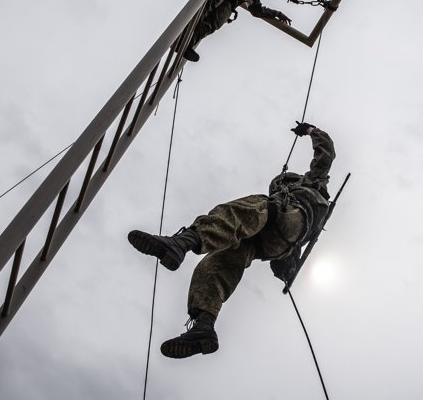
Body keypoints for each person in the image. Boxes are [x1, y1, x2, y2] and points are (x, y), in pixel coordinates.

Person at [127, 122, 335, 358]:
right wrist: (288, 272)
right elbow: (281, 265)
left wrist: (310, 130)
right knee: (219, 261)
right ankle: (204, 325)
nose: (278, 187)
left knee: (249, 208)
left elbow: (326, 150)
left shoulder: (311, 184)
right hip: (268, 244)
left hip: (290, 218)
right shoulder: (288, 205)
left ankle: (182, 242)